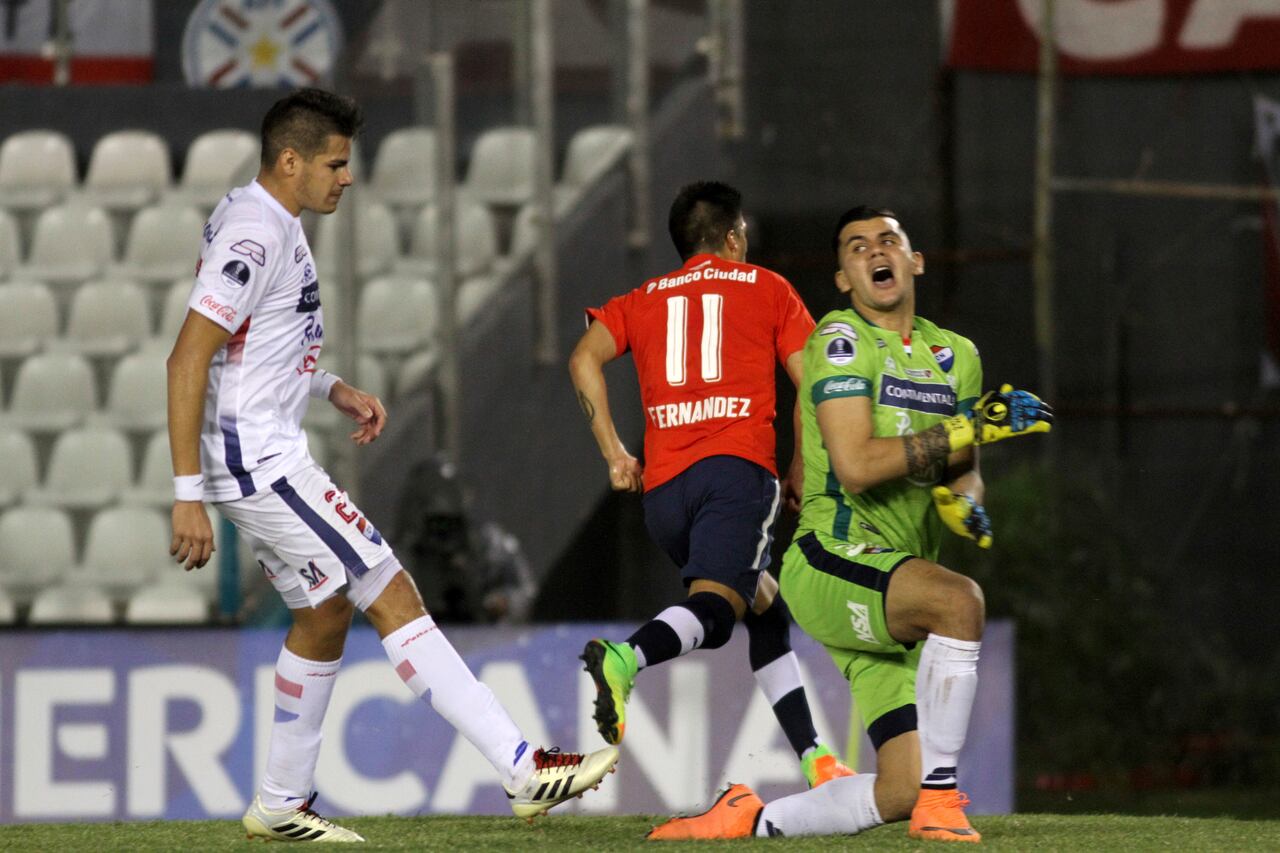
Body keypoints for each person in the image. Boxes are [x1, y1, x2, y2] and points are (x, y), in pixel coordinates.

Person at [166, 88, 617, 843]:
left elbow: (250, 347)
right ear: (290, 159)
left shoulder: (265, 218)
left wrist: (329, 386)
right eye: (336, 164)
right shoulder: (256, 231)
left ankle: (281, 800)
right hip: (262, 462)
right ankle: (521, 766)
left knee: (325, 609)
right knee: (386, 585)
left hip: (265, 452)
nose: (346, 178)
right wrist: (186, 494)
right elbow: (189, 357)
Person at [647, 206, 1052, 842]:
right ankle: (943, 805)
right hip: (830, 559)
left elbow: (962, 465)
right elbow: (858, 467)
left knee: (898, 789)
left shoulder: (958, 356)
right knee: (959, 603)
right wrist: (971, 425)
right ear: (843, 278)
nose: (874, 252)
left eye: (888, 240)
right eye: (856, 247)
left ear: (914, 262)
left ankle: (750, 819)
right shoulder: (839, 342)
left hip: (891, 581)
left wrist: (965, 499)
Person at [568, 180, 853, 789]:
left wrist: (615, 453)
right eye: (743, 233)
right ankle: (626, 657)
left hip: (665, 493)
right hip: (736, 475)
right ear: (732, 236)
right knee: (718, 616)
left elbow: (582, 358)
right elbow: (813, 383)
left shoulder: (643, 297)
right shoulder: (769, 288)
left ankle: (816, 760)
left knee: (765, 608)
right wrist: (802, 466)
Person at [397, 454, 537, 624]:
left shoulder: (490, 542)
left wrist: (502, 602)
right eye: (431, 495)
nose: (440, 506)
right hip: (417, 638)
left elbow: (526, 592)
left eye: (448, 493)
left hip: (484, 636)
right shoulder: (399, 550)